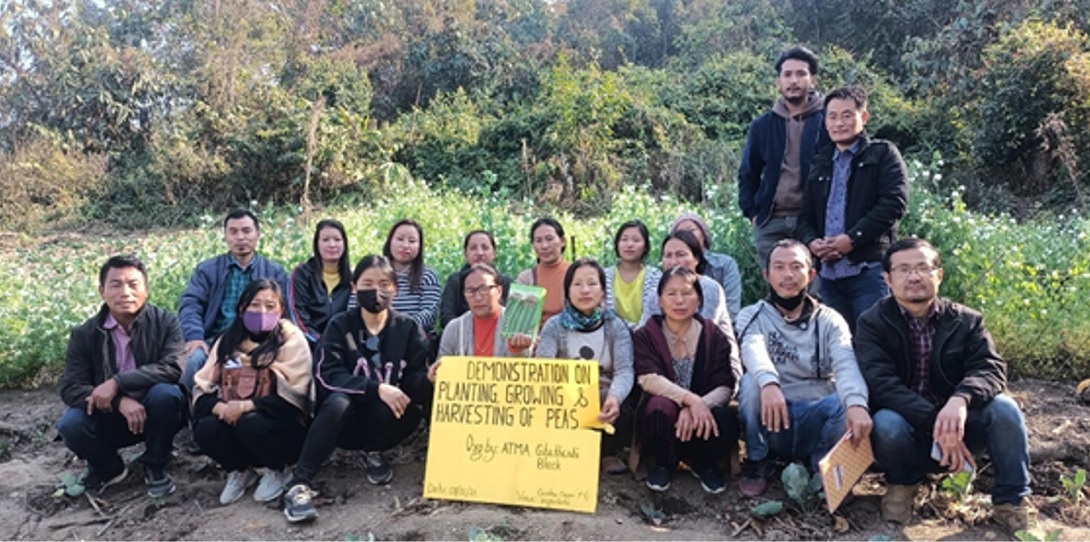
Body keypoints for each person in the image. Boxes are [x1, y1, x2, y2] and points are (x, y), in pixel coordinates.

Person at [856, 238, 1032, 533]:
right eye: (903, 270)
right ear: (887, 279)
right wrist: (936, 421)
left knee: (1005, 409)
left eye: (923, 268)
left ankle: (1011, 501)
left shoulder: (967, 321)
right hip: (909, 431)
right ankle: (903, 484)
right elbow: (881, 384)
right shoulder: (872, 323)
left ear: (939, 274)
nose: (914, 276)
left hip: (961, 431)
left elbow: (990, 368)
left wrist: (960, 400)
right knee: (886, 422)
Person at [281, 255, 433, 523]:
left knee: (390, 405)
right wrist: (376, 388)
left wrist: (427, 380)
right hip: (345, 424)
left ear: (395, 288)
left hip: (388, 422)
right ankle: (299, 484)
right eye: (368, 284)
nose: (376, 291)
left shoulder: (408, 328)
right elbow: (327, 375)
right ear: (354, 287)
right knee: (338, 402)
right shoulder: (340, 325)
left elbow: (413, 381)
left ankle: (374, 453)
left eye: (384, 284)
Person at [735, 240, 872, 497]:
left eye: (796, 267)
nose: (788, 275)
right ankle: (758, 459)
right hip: (774, 417)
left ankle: (822, 468)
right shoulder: (751, 315)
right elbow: (753, 350)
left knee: (847, 400)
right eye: (779, 267)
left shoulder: (831, 320)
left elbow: (846, 365)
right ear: (766, 275)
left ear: (811, 274)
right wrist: (769, 383)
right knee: (751, 383)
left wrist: (857, 404)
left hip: (816, 415)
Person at [56, 255, 186, 498]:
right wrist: (119, 401)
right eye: (116, 285)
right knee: (70, 425)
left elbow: (173, 367)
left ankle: (155, 464)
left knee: (167, 394)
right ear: (102, 291)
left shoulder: (165, 322)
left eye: (133, 284)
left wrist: (118, 382)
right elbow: (71, 387)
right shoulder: (85, 334)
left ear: (146, 290)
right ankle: (107, 467)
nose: (125, 292)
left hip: (154, 412)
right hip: (109, 415)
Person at [191, 280, 313, 506]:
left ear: (281, 310)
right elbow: (202, 387)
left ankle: (279, 470)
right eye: (255, 305)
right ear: (241, 308)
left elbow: (297, 399)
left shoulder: (291, 341)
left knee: (251, 423)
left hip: (280, 429)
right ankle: (239, 471)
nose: (262, 312)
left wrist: (246, 406)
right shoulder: (227, 341)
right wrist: (221, 407)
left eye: (270, 306)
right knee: (205, 428)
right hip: (234, 422)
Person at [797, 86, 908, 331]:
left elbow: (894, 203)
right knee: (836, 344)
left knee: (874, 339)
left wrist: (852, 239)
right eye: (832, 116)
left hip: (869, 268)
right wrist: (812, 242)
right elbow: (805, 217)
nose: (839, 123)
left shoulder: (883, 153)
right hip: (828, 274)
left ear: (863, 117)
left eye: (847, 115)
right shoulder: (821, 161)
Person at [633, 267, 741, 494]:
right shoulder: (647, 334)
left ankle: (704, 463)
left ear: (699, 299)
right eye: (671, 293)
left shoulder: (713, 335)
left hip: (701, 417)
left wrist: (699, 406)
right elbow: (647, 378)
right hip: (667, 417)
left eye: (687, 293)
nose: (679, 300)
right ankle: (664, 462)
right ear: (660, 300)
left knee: (724, 417)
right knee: (658, 407)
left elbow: (725, 385)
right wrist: (690, 400)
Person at [536, 258, 635, 474]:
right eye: (577, 284)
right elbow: (543, 368)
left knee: (621, 402)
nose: (585, 290)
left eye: (592, 283)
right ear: (567, 291)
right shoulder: (554, 326)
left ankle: (608, 454)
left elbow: (624, 370)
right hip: (565, 396)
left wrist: (615, 397)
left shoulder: (615, 325)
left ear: (603, 291)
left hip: (603, 393)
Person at [738, 46, 830, 270]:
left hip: (816, 221)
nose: (793, 80)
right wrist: (752, 212)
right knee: (778, 285)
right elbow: (748, 172)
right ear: (778, 82)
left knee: (817, 285)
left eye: (801, 74)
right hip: (771, 221)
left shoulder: (828, 120)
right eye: (787, 74)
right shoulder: (763, 125)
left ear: (813, 80)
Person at [179, 209, 289, 390]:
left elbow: (284, 311)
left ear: (257, 234)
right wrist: (195, 336)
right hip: (214, 340)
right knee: (193, 360)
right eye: (233, 232)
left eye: (246, 231)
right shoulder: (207, 270)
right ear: (225, 236)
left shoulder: (273, 272)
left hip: (259, 341)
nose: (240, 237)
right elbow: (191, 304)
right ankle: (188, 405)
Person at [643, 230, 733, 336]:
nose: (673, 262)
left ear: (696, 259)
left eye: (680, 255)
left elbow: (702, 334)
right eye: (668, 255)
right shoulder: (655, 293)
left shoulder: (710, 288)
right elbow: (644, 332)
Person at [288, 219, 352, 346]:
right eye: (325, 240)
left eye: (337, 239)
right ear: (316, 244)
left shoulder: (352, 279)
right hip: (308, 343)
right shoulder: (302, 274)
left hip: (342, 345)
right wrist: (320, 342)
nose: (332, 244)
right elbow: (297, 315)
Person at [439, 264, 521, 358]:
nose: (478, 297)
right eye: (470, 291)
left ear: (499, 291)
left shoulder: (517, 324)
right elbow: (443, 364)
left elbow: (528, 362)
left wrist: (518, 350)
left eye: (484, 289)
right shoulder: (454, 328)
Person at [670, 213, 742, 320]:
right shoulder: (671, 266)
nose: (687, 236)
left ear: (703, 234)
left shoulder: (725, 264)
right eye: (681, 233)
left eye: (691, 230)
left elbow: (732, 309)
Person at [439, 230, 512, 330]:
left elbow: (512, 320)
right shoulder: (455, 281)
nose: (479, 253)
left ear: (494, 253)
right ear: (465, 254)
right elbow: (446, 317)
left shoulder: (504, 282)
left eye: (485, 248)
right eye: (473, 248)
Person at [382, 219, 441, 334]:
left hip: (415, 336)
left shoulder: (428, 275)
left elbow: (429, 312)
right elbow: (356, 305)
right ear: (389, 241)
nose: (405, 245)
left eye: (412, 241)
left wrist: (402, 327)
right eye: (400, 239)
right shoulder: (375, 272)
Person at [604, 220, 662, 328]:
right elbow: (605, 313)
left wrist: (638, 333)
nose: (629, 244)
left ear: (645, 246)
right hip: (612, 335)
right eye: (624, 239)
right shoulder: (604, 276)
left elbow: (652, 313)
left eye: (636, 240)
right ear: (617, 244)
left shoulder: (655, 276)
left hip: (646, 335)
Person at [516, 217, 571, 326]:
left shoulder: (575, 274)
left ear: (562, 241)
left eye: (549, 239)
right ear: (533, 245)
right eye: (538, 241)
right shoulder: (526, 279)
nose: (544, 246)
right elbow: (519, 324)